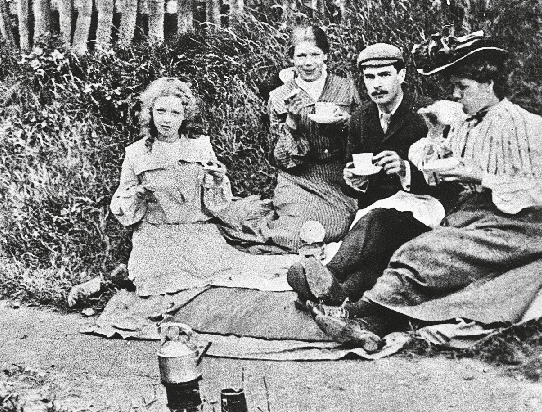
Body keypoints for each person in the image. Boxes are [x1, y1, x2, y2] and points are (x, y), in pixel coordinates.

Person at [312, 31, 542, 350]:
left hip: (517, 226)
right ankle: (364, 318)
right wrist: (435, 135)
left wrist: (481, 177)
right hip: (470, 215)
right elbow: (438, 163)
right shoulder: (467, 122)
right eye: (454, 87)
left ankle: (362, 315)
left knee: (424, 251)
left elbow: (535, 189)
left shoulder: (524, 127)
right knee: (410, 244)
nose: (457, 95)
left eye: (463, 87)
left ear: (489, 84)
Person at [68, 77, 283, 304]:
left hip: (196, 232)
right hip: (155, 236)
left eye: (175, 113)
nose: (167, 120)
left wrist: (217, 180)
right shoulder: (136, 153)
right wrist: (138, 195)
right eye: (160, 111)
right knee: (156, 283)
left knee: (232, 277)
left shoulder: (200, 147)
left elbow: (216, 205)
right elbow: (122, 206)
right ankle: (110, 282)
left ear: (185, 116)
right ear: (150, 113)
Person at [286, 43, 453, 305]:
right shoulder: (361, 118)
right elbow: (353, 185)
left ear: (402, 75)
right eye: (369, 77)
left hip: (424, 208)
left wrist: (405, 170)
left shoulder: (427, 114)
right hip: (376, 210)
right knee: (378, 261)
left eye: (385, 75)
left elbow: (448, 181)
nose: (376, 84)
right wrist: (354, 182)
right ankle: (331, 295)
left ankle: (327, 274)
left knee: (379, 221)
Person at [232, 25, 360, 252]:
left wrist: (347, 122)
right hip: (297, 178)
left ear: (326, 55)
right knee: (294, 235)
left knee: (336, 227)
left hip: (336, 177)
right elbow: (279, 159)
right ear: (291, 58)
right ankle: (276, 223)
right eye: (301, 55)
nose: (308, 62)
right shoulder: (279, 96)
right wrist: (291, 120)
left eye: (315, 55)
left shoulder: (345, 88)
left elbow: (363, 135)